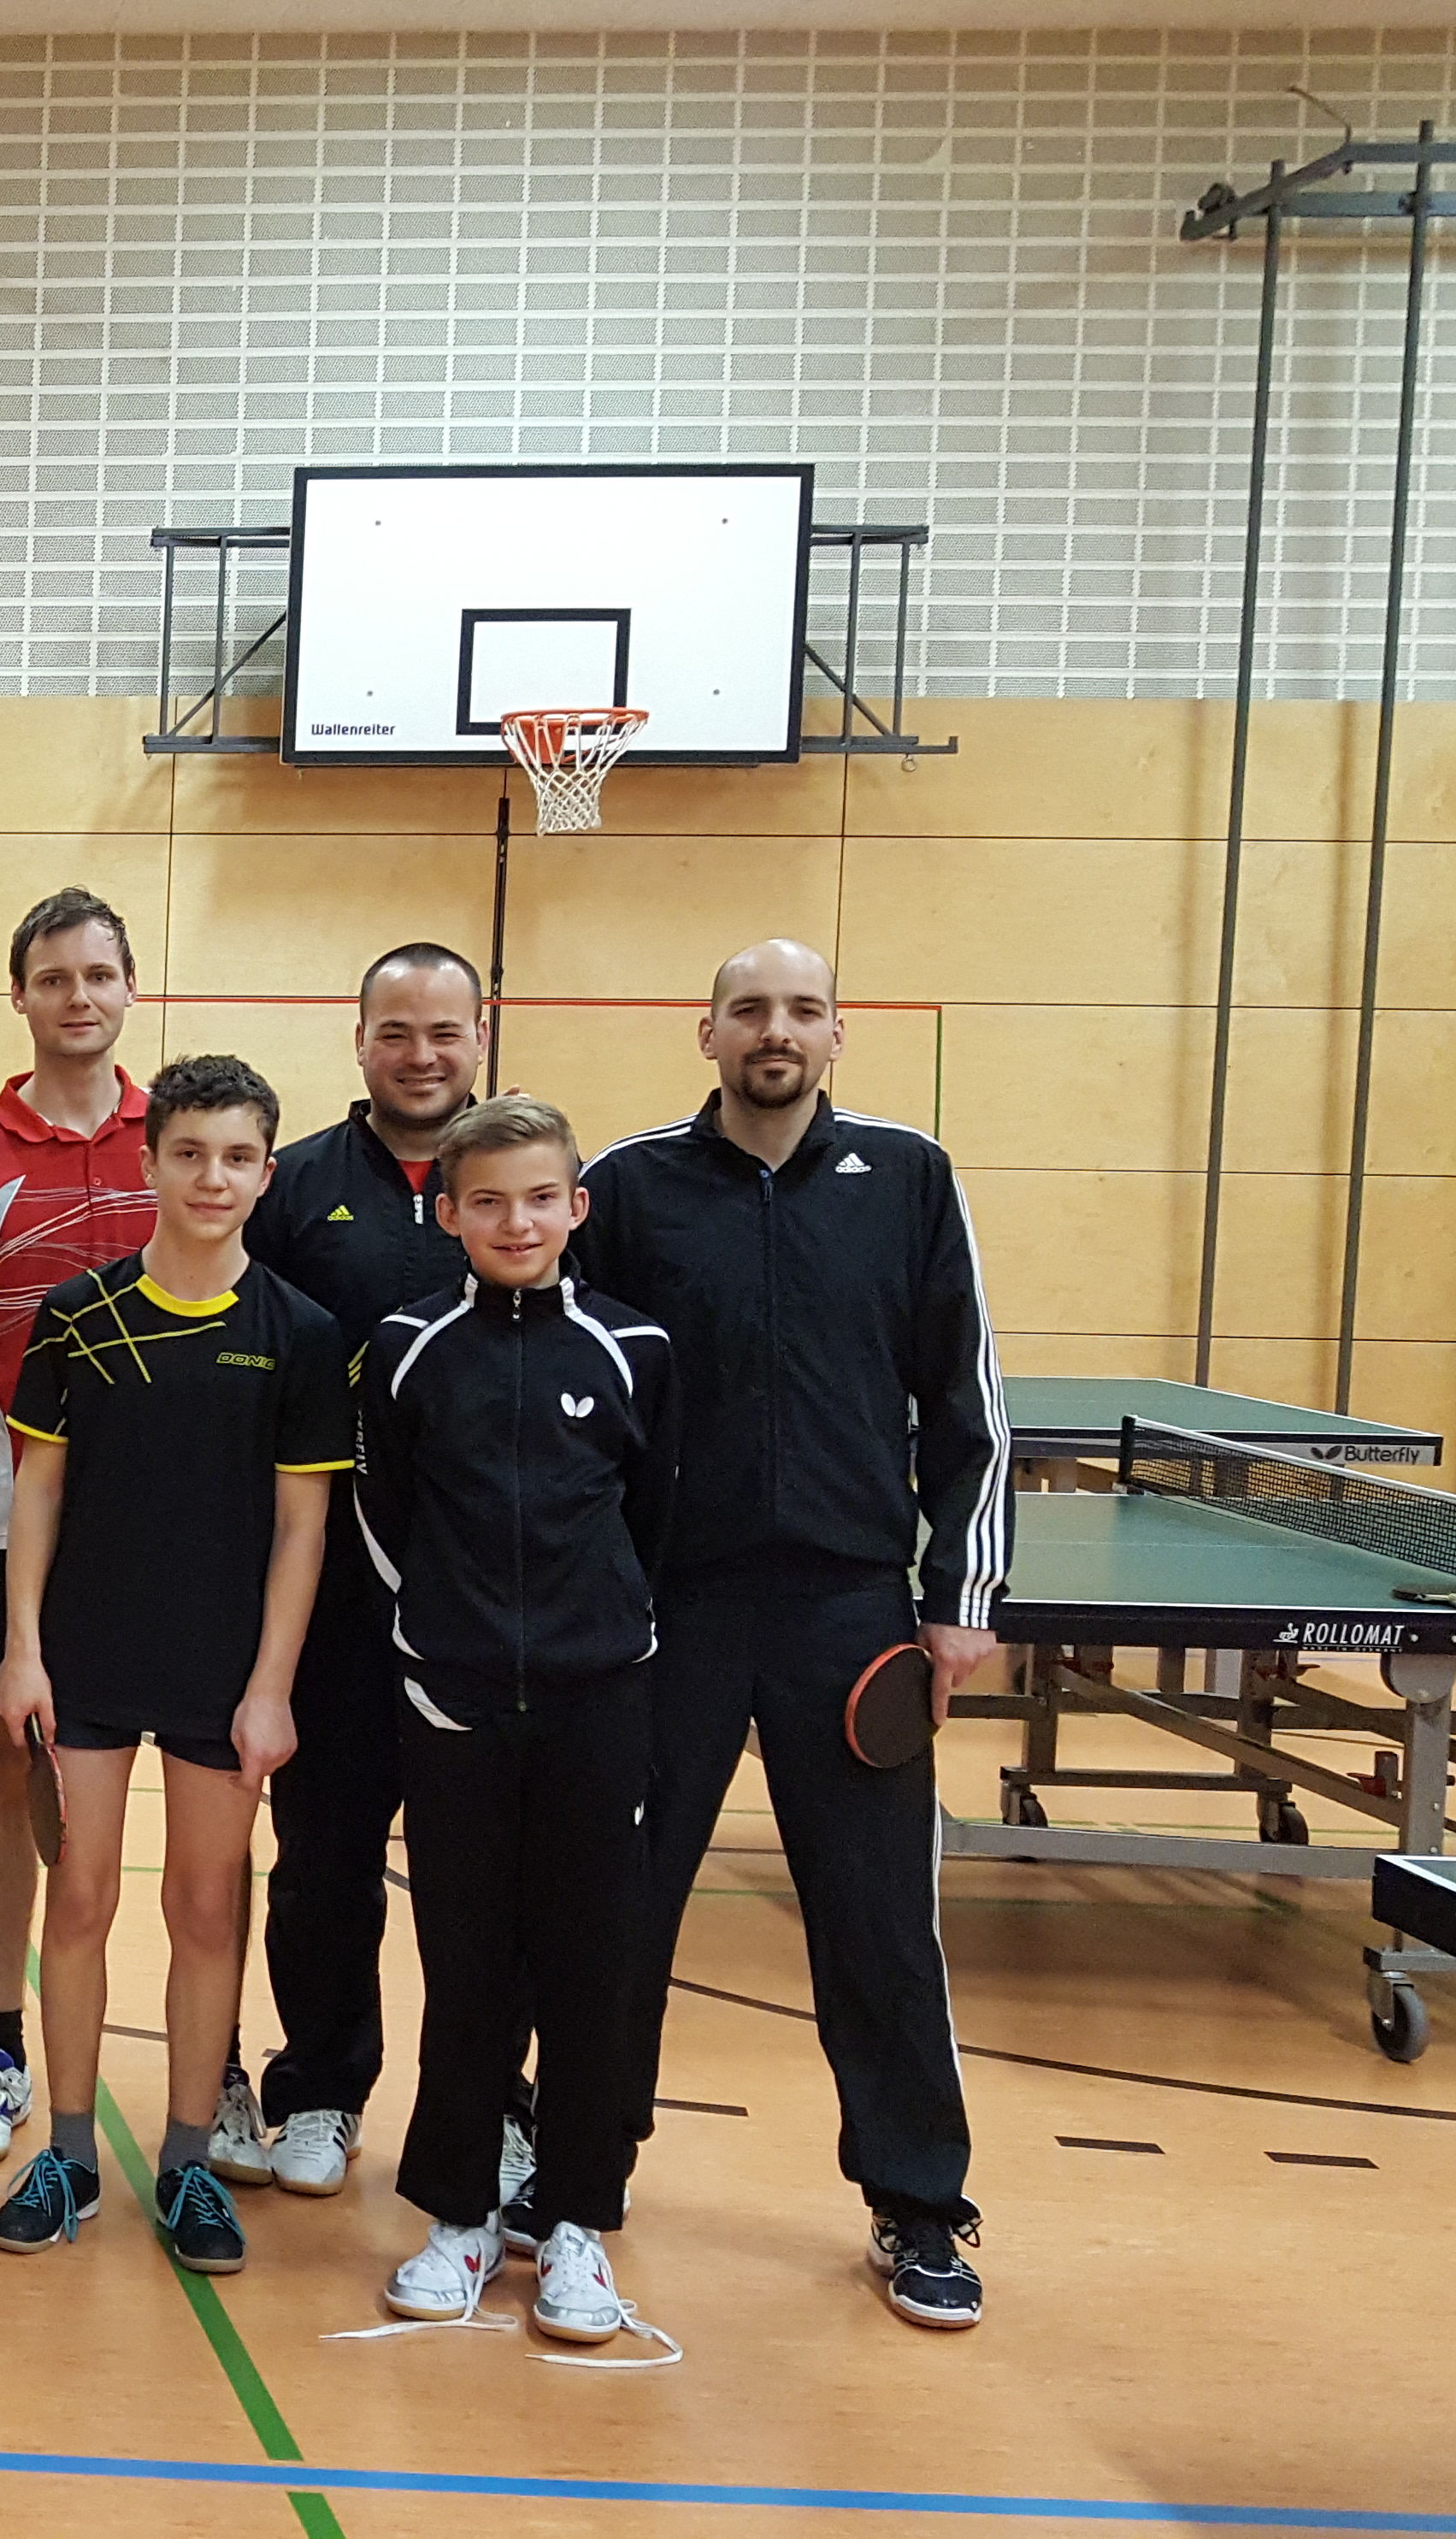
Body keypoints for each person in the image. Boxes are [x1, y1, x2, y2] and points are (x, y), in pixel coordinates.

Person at [574, 939, 1003, 2332]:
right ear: (704, 1031)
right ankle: (579, 2176)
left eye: (802, 1010)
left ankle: (917, 2203)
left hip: (850, 1615)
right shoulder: (630, 1187)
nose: (776, 1030)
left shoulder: (910, 1179)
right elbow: (581, 1395)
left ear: (836, 1033)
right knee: (617, 1905)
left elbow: (966, 1404)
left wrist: (960, 1597)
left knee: (879, 1926)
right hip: (672, 1614)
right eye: (749, 1008)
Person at [0, 1054, 349, 2273]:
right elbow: (37, 1492)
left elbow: (301, 1529)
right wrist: (22, 1650)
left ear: (266, 1172)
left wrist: (271, 1687)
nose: (212, 1178)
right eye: (188, 1153)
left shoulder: (299, 1333)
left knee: (202, 1906)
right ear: (149, 1163)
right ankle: (68, 2152)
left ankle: (189, 2158)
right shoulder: (77, 1315)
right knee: (79, 1901)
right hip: (87, 1654)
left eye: (238, 1157)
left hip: (220, 1669)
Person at [354, 1092, 677, 2354]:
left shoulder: (634, 1347)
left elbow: (655, 1515)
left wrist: (608, 1633)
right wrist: (440, 1633)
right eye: (486, 1201)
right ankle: (458, 2215)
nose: (516, 1221)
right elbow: (383, 1512)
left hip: (601, 1705)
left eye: (540, 1198)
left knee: (594, 1966)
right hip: (454, 1702)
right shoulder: (407, 1346)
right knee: (465, 1964)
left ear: (576, 1207)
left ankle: (577, 2220)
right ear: (447, 1214)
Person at [0, 889, 165, 2167]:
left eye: (98, 975)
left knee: (187, 1799)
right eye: (53, 978)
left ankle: (208, 2066)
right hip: (0, 1528)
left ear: (129, 988)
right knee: (4, 1771)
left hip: (165, 1536)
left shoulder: (183, 1143)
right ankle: (1, 2049)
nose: (78, 998)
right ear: (18, 997)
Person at [240, 942, 487, 2201]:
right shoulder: (293, 1190)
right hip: (330, 1598)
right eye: (397, 1031)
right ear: (359, 1041)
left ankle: (490, 2109)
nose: (421, 1055)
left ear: (479, 1036)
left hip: (483, 1601)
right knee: (324, 1864)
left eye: (443, 1031)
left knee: (482, 1882)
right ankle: (321, 2090)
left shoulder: (519, 1181)